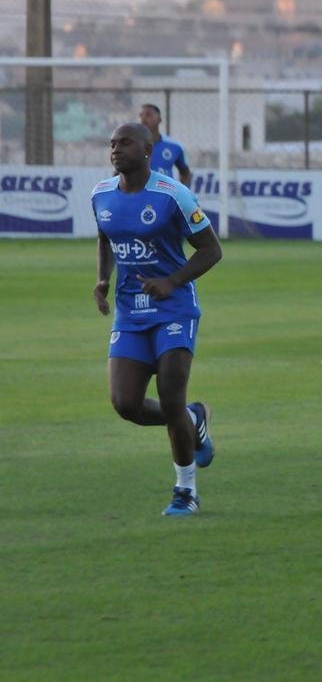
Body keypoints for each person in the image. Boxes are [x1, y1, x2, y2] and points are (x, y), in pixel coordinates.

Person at [92, 122, 222, 516]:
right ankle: (192, 420)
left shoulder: (173, 195)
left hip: (174, 309)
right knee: (125, 404)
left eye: (125, 143)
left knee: (170, 396)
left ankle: (186, 491)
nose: (116, 149)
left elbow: (211, 250)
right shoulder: (100, 194)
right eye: (112, 143)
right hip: (131, 313)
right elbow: (105, 236)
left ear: (148, 151)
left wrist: (172, 280)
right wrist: (103, 278)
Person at [138, 103, 193, 186]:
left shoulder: (174, 147)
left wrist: (182, 194)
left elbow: (185, 173)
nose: (143, 119)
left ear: (159, 119)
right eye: (140, 115)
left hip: (164, 196)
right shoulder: (131, 145)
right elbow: (118, 173)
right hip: (137, 196)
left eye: (148, 115)